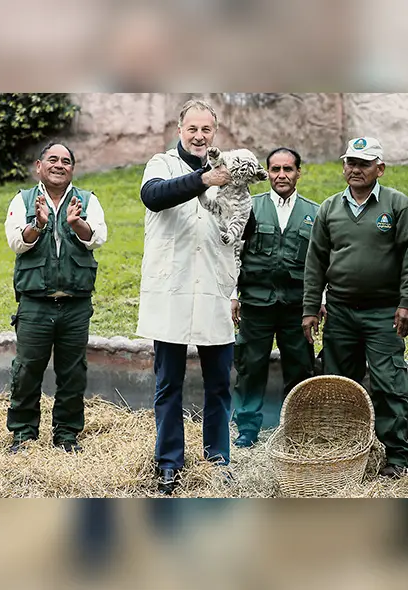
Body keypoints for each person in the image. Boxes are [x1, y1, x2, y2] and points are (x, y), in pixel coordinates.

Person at [302, 136, 408, 478]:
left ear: (379, 169)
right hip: (340, 312)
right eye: (350, 163)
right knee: (338, 383)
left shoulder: (398, 205)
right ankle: (343, 452)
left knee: (388, 383)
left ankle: (398, 456)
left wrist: (407, 303)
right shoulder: (330, 208)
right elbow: (315, 261)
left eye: (364, 164)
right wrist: (310, 308)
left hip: (384, 312)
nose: (355, 169)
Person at [136, 98, 237, 495]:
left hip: (214, 288)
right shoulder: (161, 164)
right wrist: (204, 180)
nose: (199, 136)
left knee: (219, 384)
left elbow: (240, 228)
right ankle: (169, 464)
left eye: (206, 129)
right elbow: (153, 196)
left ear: (215, 132)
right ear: (179, 130)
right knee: (168, 384)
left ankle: (218, 462)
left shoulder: (229, 171)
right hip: (172, 289)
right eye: (192, 129)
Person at [4, 142, 109, 453]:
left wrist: (77, 224)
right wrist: (37, 225)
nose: (59, 165)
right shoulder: (23, 200)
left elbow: (98, 238)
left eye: (66, 161)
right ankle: (23, 435)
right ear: (39, 166)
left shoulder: (88, 200)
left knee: (73, 373)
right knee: (26, 371)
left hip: (75, 304)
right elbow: (15, 242)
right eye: (52, 159)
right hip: (35, 303)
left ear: (72, 169)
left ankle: (66, 436)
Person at [230, 147, 321, 448]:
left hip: (297, 306)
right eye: (275, 169)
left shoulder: (314, 213)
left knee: (300, 367)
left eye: (288, 169)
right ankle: (247, 429)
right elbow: (233, 254)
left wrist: (319, 301)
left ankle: (295, 428)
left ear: (298, 173)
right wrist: (232, 295)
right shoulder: (249, 207)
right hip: (256, 302)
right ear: (266, 173)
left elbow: (321, 262)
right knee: (250, 366)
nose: (281, 175)